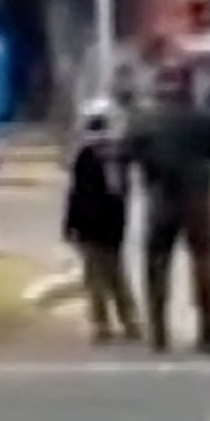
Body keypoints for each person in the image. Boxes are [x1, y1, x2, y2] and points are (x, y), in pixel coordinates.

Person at [129, 62, 210, 356]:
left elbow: (130, 152)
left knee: (156, 264)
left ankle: (158, 334)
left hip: (160, 195)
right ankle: (208, 333)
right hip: (196, 197)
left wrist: (149, 169)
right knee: (203, 263)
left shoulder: (144, 120)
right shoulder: (205, 119)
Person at [61, 99, 140, 344]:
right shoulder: (119, 153)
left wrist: (69, 224)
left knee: (94, 276)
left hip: (90, 224)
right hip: (115, 222)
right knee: (117, 273)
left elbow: (77, 194)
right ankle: (131, 321)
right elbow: (124, 191)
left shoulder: (86, 154)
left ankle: (100, 323)